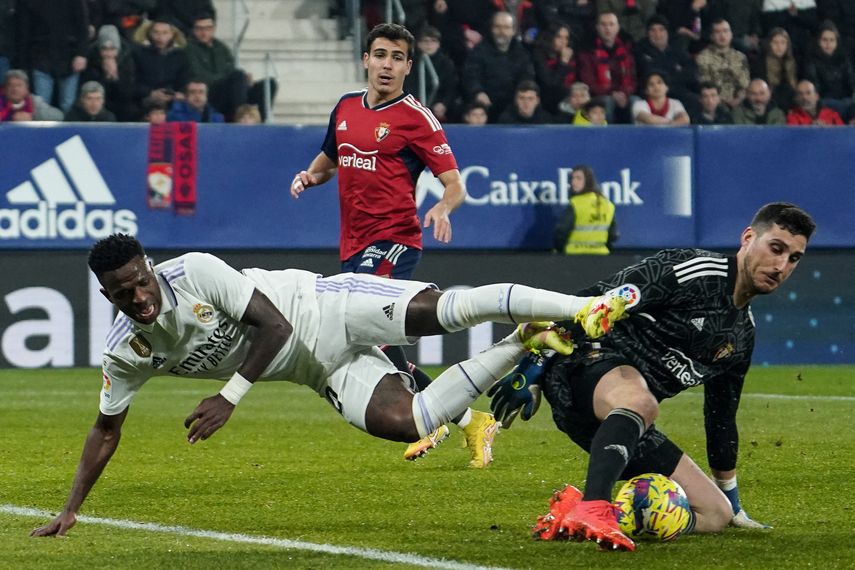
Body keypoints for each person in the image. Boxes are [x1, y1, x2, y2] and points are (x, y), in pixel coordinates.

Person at [29, 233, 627, 538]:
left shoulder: (194, 273)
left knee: (448, 311)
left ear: (149, 268)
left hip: (326, 308)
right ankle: (526, 339)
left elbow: (274, 325)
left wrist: (228, 396)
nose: (137, 299)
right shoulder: (126, 350)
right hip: (316, 369)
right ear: (105, 294)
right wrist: (70, 510)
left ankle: (584, 306)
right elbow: (106, 429)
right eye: (121, 293)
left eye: (140, 282)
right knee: (411, 423)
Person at [490, 202, 816, 551]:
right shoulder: (693, 270)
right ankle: (594, 507)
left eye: (793, 258)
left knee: (712, 515)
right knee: (641, 400)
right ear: (748, 238)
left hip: (626, 423)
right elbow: (594, 300)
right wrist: (536, 360)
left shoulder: (741, 337)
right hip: (582, 368)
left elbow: (721, 417)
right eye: (776, 248)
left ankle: (575, 513)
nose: (781, 265)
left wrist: (733, 502)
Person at [289, 23, 487, 466]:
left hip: (395, 239)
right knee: (376, 345)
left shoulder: (416, 118)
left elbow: (454, 185)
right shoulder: (344, 108)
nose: (387, 65)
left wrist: (441, 209)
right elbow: (328, 161)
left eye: (397, 58)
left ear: (408, 67)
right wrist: (308, 177)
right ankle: (467, 419)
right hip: (352, 244)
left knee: (369, 335)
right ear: (366, 59)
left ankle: (432, 414)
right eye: (380, 55)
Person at [185, 13, 276, 122]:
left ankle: (259, 122)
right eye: (200, 29)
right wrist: (231, 78)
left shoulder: (221, 48)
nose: (204, 32)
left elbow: (231, 69)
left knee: (269, 84)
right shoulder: (188, 49)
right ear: (194, 30)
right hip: (209, 93)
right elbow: (200, 77)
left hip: (230, 89)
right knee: (238, 76)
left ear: (213, 29)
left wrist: (245, 81)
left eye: (208, 28)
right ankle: (240, 118)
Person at [16, 0, 90, 114]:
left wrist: (82, 54)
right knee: (41, 105)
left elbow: (83, 26)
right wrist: (23, 61)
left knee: (68, 105)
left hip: (69, 56)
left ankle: (68, 132)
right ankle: (42, 132)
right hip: (41, 56)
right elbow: (24, 30)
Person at [462, 11, 536, 121]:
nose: (502, 32)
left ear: (513, 31)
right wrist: (478, 92)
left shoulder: (522, 53)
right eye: (498, 27)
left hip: (513, 108)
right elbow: (471, 76)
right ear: (491, 29)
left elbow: (527, 78)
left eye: (506, 27)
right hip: (486, 107)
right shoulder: (479, 51)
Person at [577, 12, 636, 123]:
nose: (607, 28)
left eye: (611, 24)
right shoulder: (588, 50)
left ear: (618, 27)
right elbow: (588, 82)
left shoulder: (626, 49)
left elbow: (633, 78)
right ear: (597, 28)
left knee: (636, 101)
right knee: (606, 102)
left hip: (623, 94)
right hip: (600, 95)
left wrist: (624, 93)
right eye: (603, 25)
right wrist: (613, 93)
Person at [553, 164, 618, 255]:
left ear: (588, 181)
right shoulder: (608, 205)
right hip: (601, 256)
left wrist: (559, 249)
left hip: (574, 255)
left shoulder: (576, 204)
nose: (573, 182)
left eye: (578, 178)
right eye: (572, 178)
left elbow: (561, 232)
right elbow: (613, 235)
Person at [81, 24, 139, 121]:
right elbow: (88, 86)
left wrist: (116, 77)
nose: (108, 54)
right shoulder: (91, 57)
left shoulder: (128, 59)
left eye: (112, 49)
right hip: (98, 100)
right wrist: (104, 75)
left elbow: (128, 92)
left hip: (121, 101)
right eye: (104, 49)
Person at [403, 25, 460, 123]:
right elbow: (407, 86)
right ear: (418, 44)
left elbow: (451, 87)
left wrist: (443, 104)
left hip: (438, 107)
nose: (429, 45)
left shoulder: (445, 63)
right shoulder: (410, 63)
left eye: (433, 41)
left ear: (438, 44)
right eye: (425, 41)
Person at [802, 20, 855, 121]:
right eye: (824, 40)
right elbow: (814, 86)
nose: (828, 44)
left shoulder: (844, 58)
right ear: (818, 41)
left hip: (845, 99)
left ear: (837, 42)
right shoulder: (811, 60)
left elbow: (851, 80)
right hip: (823, 101)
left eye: (832, 40)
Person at [695, 18, 750, 109]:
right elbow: (706, 86)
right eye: (717, 32)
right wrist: (725, 101)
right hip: (714, 104)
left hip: (740, 103)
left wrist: (737, 100)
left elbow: (745, 85)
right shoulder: (703, 57)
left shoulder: (740, 57)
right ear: (712, 36)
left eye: (725, 31)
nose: (722, 35)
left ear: (731, 34)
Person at [531, 23, 577, 115]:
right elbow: (550, 83)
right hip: (547, 99)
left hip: (568, 97)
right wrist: (563, 62)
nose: (563, 42)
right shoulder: (539, 55)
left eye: (566, 38)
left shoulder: (570, 55)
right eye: (559, 37)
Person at [751, 27, 798, 111]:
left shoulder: (793, 62)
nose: (779, 46)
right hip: (769, 102)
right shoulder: (760, 63)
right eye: (775, 42)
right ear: (769, 44)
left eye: (783, 43)